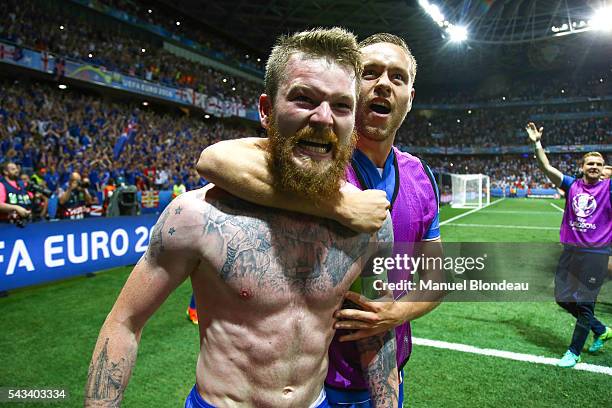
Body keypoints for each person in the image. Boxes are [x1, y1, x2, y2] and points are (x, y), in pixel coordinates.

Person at [85, 27, 399, 408]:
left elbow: (374, 330)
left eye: (341, 106)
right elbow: (124, 324)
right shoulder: (198, 215)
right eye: (304, 99)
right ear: (266, 110)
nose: (323, 118)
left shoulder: (369, 222)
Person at [196, 33, 443, 407]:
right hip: (315, 386)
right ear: (350, 86)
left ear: (410, 98)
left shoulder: (421, 176)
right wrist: (338, 205)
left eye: (397, 77)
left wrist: (396, 312)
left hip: (388, 372)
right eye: (370, 72)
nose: (383, 85)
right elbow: (215, 160)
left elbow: (435, 277)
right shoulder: (313, 160)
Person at [526, 122, 611, 367]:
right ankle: (601, 329)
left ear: (604, 169)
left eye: (598, 164)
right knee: (562, 298)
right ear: (582, 167)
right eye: (590, 164)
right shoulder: (572, 185)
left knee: (585, 304)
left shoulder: (609, 188)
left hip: (596, 254)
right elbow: (545, 167)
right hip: (570, 252)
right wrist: (536, 143)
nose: (594, 167)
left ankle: (574, 352)